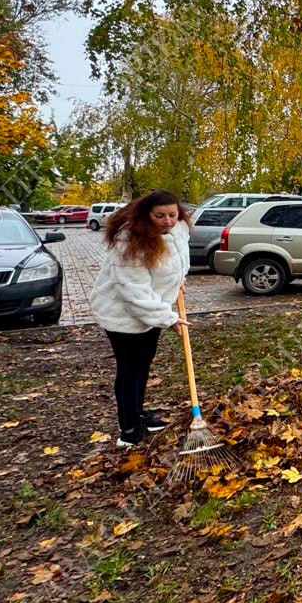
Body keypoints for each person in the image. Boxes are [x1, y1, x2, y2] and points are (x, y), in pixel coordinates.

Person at [89, 189, 191, 447]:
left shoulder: (178, 230)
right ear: (146, 215)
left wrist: (178, 281)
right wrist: (168, 318)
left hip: (151, 311)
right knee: (130, 369)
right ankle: (129, 428)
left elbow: (175, 264)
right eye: (160, 216)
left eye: (172, 214)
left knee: (143, 363)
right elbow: (134, 292)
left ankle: (139, 412)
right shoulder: (130, 242)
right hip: (122, 314)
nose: (167, 220)